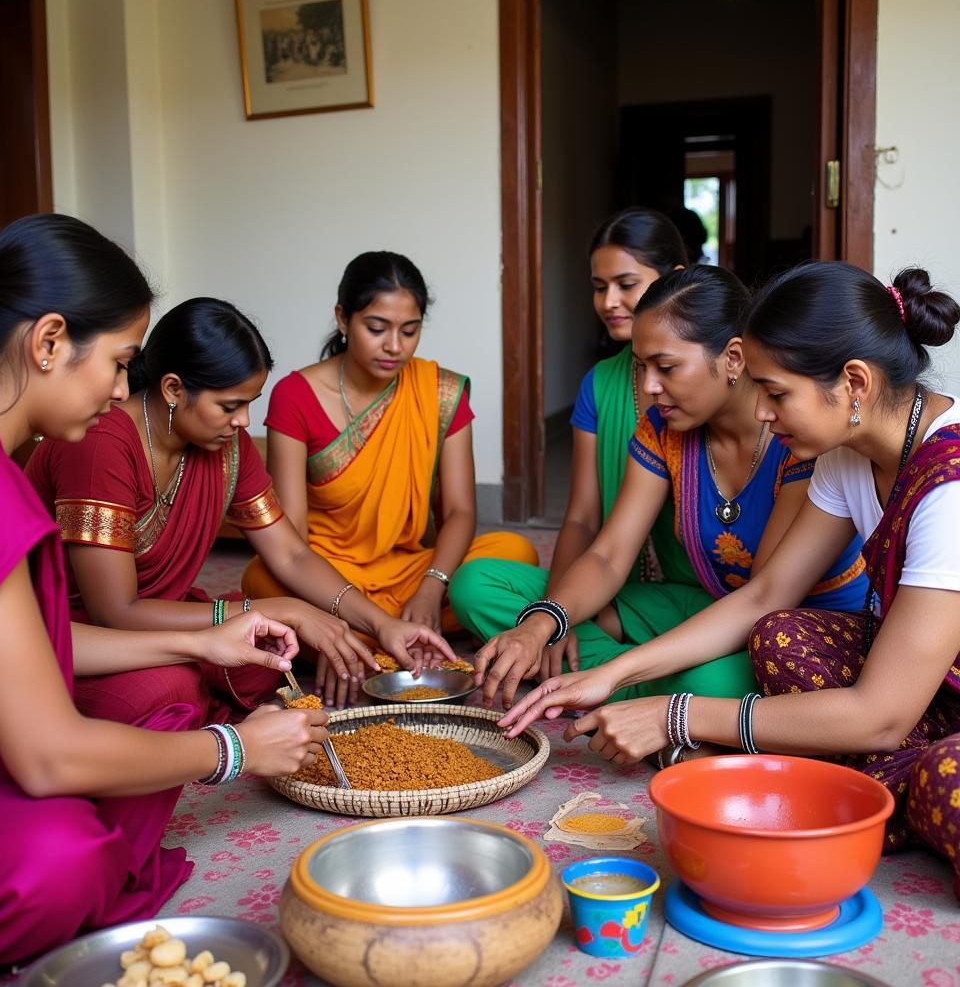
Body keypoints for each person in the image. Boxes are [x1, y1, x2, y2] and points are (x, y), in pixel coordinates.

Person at [0, 214, 331, 964]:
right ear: (49, 342)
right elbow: (47, 756)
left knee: (171, 690)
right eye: (118, 361)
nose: (121, 388)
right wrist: (233, 749)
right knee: (69, 853)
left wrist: (201, 634)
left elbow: (28, 645)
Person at [500, 262, 960, 898]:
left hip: (909, 704)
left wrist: (677, 714)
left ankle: (871, 774)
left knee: (944, 781)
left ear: (853, 382)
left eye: (777, 393)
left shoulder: (951, 484)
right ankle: (849, 774)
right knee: (779, 637)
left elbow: (881, 714)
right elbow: (765, 595)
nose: (764, 414)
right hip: (923, 688)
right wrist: (613, 675)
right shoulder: (845, 454)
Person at [463, 264, 869, 707]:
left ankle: (617, 682)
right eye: (642, 367)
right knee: (478, 585)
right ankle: (654, 692)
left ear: (733, 358)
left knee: (715, 680)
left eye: (667, 367)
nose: (651, 386)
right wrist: (542, 623)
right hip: (701, 604)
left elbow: (763, 600)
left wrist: (614, 670)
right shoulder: (664, 427)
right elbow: (609, 554)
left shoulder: (800, 434)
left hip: (782, 628)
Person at [27, 296, 456, 713]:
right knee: (171, 690)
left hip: (160, 615)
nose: (244, 421)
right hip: (77, 630)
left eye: (249, 403)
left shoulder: (226, 445)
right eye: (230, 406)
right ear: (174, 388)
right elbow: (115, 611)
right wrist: (274, 609)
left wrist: (381, 623)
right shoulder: (102, 443)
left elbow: (290, 553)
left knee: (266, 654)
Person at [451, 207, 701, 682]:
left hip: (698, 599)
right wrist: (555, 614)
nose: (609, 301)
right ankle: (642, 683)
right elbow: (583, 517)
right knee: (475, 585)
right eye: (598, 286)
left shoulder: (708, 381)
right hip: (611, 586)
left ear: (674, 280)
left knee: (730, 659)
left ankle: (616, 676)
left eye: (627, 284)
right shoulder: (599, 382)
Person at [241, 250, 538, 639]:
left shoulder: (440, 392)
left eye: (409, 330)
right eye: (377, 328)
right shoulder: (295, 395)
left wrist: (432, 587)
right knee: (260, 577)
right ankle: (380, 630)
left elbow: (461, 510)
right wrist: (335, 601)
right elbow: (291, 534)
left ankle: (366, 637)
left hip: (411, 568)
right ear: (343, 318)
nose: (395, 346)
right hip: (329, 571)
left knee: (516, 552)